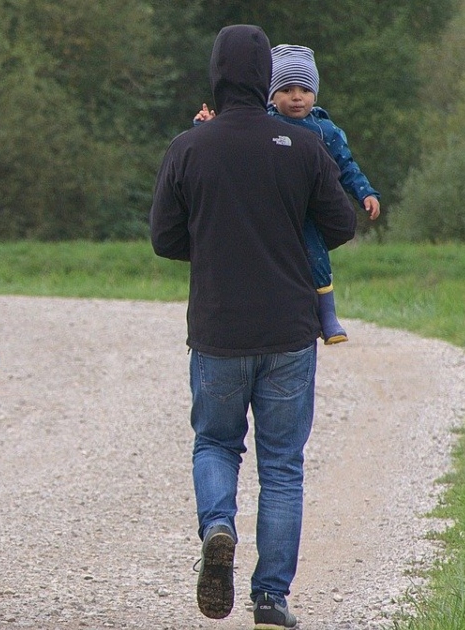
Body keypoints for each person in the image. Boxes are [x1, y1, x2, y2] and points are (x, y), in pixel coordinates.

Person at [150, 25, 357, 630]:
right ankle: (270, 597)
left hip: (217, 327)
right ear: (267, 76)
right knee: (283, 464)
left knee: (216, 443)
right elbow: (340, 224)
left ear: (215, 74)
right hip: (290, 328)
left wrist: (217, 243)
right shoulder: (302, 143)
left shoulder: (189, 146)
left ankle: (218, 526)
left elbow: (164, 239)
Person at [193, 43, 379, 344]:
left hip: (308, 210)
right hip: (272, 206)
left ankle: (328, 316)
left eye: (304, 90)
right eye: (287, 90)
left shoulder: (325, 130)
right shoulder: (265, 122)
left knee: (317, 258)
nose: (296, 97)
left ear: (315, 94)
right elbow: (232, 139)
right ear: (271, 95)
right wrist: (208, 126)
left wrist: (365, 193)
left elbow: (347, 166)